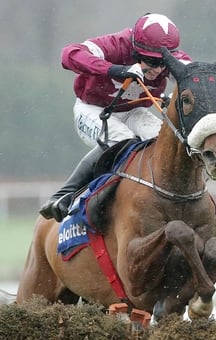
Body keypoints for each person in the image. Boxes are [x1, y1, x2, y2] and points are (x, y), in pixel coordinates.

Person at [39, 13, 191, 222]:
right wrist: (117, 70)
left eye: (163, 62)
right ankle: (65, 194)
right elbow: (69, 54)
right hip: (94, 109)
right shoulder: (115, 45)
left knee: (165, 141)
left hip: (134, 112)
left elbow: (194, 76)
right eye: (150, 62)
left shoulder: (171, 58)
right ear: (136, 50)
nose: (157, 69)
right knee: (123, 141)